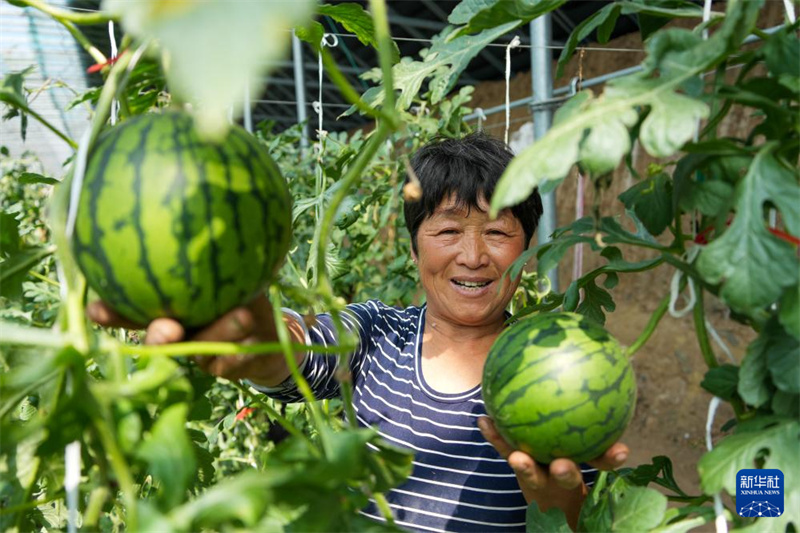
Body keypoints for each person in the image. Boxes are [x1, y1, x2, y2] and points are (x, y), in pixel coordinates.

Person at [89, 133, 628, 532]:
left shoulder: (557, 364)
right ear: (413, 248)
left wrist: (559, 504)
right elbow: (300, 351)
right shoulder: (377, 333)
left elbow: (578, 517)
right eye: (447, 230)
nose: (472, 255)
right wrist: (261, 343)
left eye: (497, 232)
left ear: (528, 247)